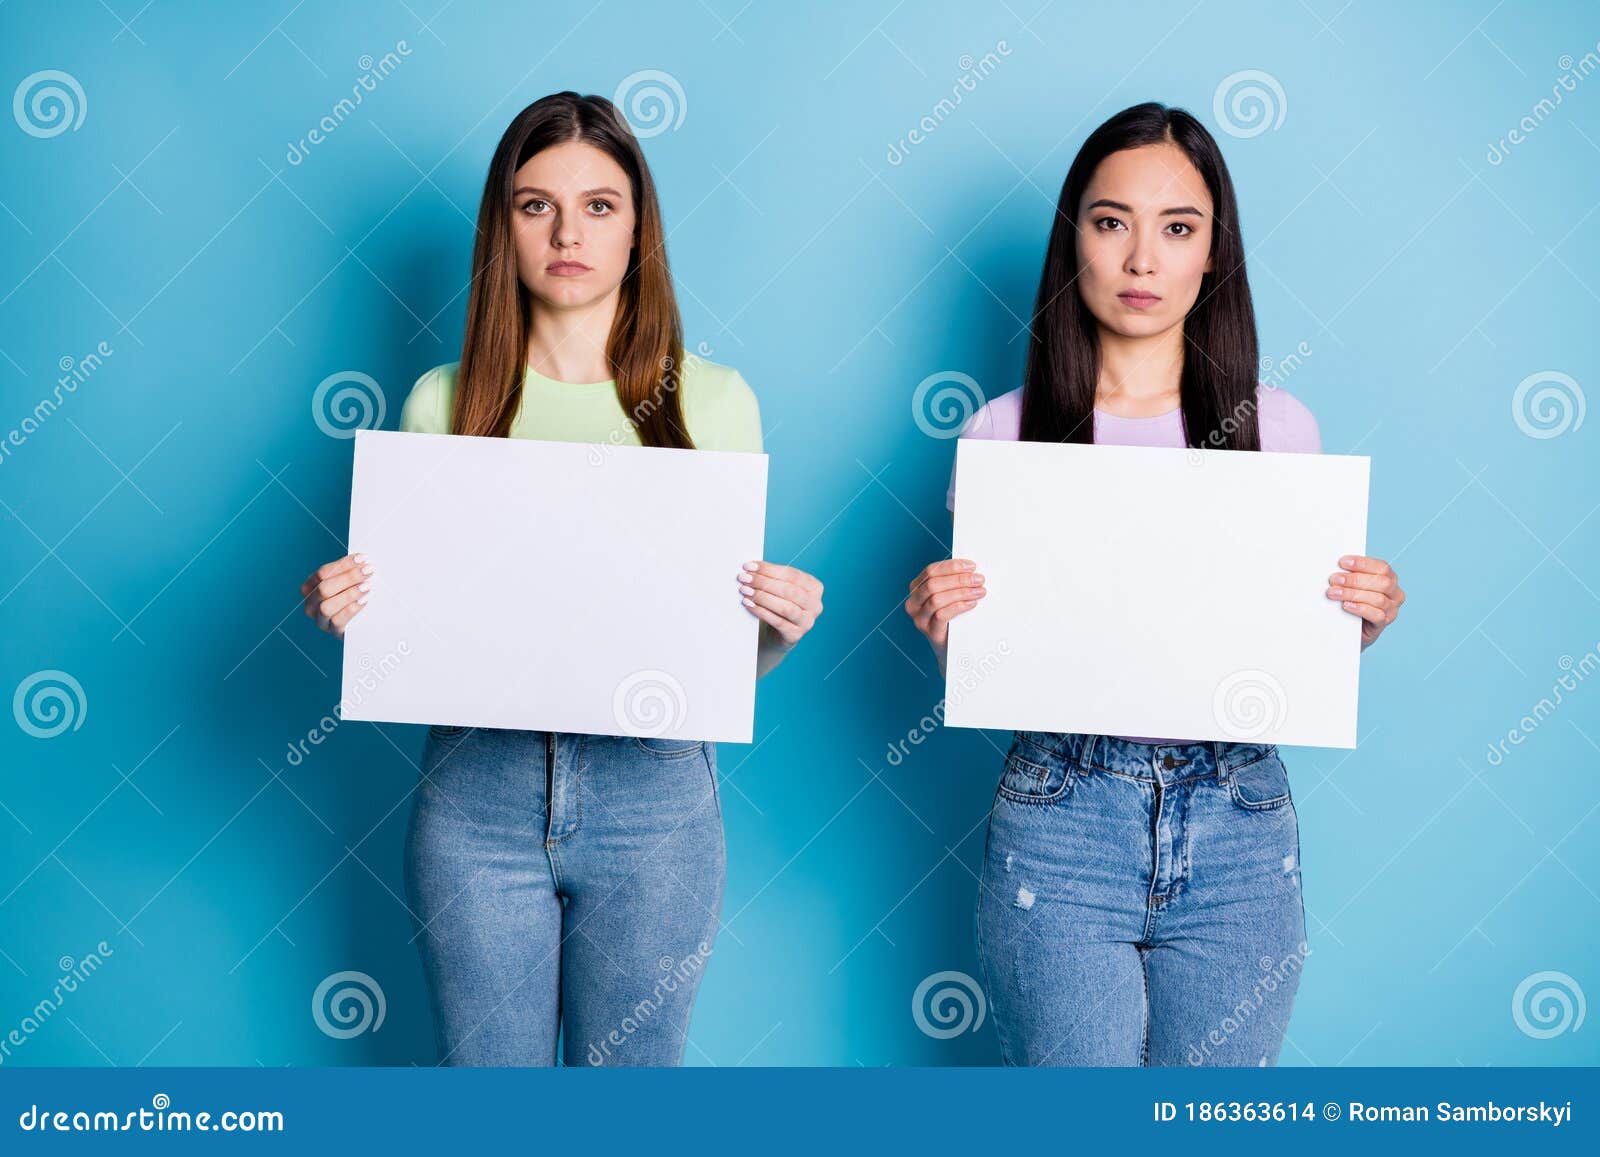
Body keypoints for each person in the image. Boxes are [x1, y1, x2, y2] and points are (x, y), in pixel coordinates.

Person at [298, 92, 823, 1066]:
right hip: (474, 791)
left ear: (639, 229)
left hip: (655, 796)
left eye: (599, 204)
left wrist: (778, 629)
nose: (567, 231)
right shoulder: (442, 401)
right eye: (535, 205)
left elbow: (716, 666)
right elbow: (418, 638)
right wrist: (356, 615)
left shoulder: (713, 400)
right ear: (503, 229)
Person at [904, 102, 1405, 1066]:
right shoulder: (1003, 433)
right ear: (1074, 241)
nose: (1142, 259)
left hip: (1238, 817)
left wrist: (1359, 619)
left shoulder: (1280, 428)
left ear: (1213, 253)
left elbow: (1294, 642)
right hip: (1061, 815)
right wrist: (947, 628)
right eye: (1110, 222)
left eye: (1177, 228)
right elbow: (996, 659)